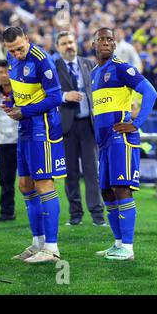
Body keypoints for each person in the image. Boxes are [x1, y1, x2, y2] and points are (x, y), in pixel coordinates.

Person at [91, 28, 157, 261]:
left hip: (122, 139)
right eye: (102, 39)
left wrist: (136, 123)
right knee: (107, 192)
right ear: (93, 44)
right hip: (104, 143)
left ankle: (127, 247)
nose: (106, 42)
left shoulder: (121, 68)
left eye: (110, 39)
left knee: (122, 188)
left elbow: (150, 92)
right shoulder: (95, 73)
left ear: (115, 44)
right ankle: (117, 243)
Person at [2, 26, 66, 263]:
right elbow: (22, 90)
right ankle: (37, 242)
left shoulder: (42, 60)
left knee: (43, 184)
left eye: (20, 48)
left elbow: (56, 97)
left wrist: (24, 110)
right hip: (25, 126)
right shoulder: (11, 58)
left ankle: (51, 248)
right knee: (25, 185)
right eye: (12, 50)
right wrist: (10, 101)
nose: (17, 54)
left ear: (27, 39)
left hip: (44, 127)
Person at [55, 31, 105, 226]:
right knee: (71, 172)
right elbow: (45, 92)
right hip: (66, 126)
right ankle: (75, 215)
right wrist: (64, 96)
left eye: (71, 42)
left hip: (88, 125)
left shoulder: (89, 64)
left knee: (92, 172)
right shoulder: (54, 67)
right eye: (64, 43)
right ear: (58, 47)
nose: (69, 46)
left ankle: (97, 215)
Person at [0, 60, 19, 222]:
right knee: (5, 180)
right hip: (3, 143)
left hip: (22, 142)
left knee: (32, 180)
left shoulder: (21, 93)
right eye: (0, 72)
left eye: (6, 71)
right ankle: (7, 213)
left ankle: (40, 212)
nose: (3, 75)